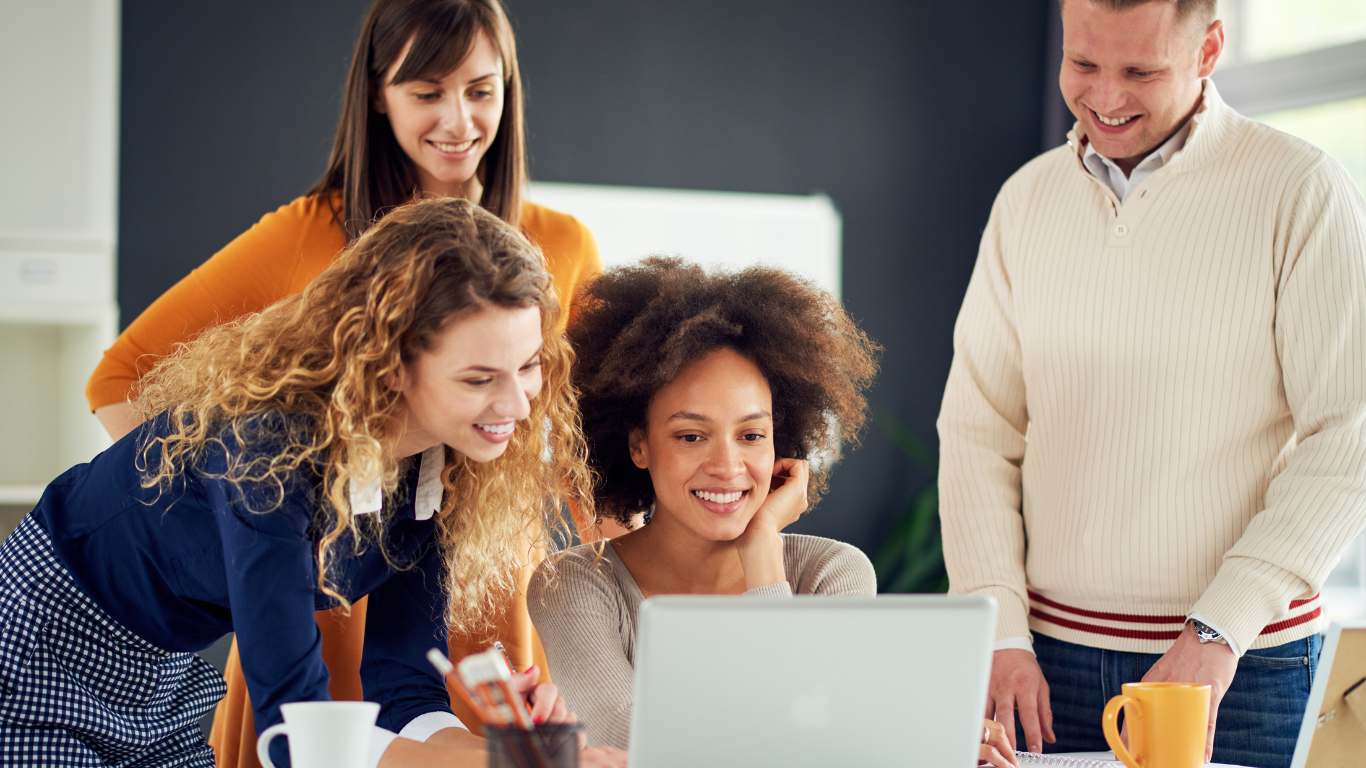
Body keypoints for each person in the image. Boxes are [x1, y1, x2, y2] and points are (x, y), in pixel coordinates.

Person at [82, 1, 610, 764]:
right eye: (426, 93)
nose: (459, 120)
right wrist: (251, 527)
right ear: (377, 94)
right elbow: (120, 379)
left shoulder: (562, 247)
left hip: (477, 609)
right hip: (307, 616)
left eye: (481, 90)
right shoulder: (307, 236)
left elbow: (580, 466)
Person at [0, 199, 625, 768]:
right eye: (479, 379)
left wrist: (522, 755)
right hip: (42, 640)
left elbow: (405, 692)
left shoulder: (437, 468)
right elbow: (296, 734)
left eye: (528, 366)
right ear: (389, 362)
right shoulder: (268, 449)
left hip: (158, 671)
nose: (516, 404)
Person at [937, 1, 1366, 767]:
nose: (1106, 98)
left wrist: (1218, 630)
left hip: (1243, 668)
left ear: (1209, 49)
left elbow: (1349, 437)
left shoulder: (1301, 189)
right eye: (1082, 64)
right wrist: (998, 628)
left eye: (1140, 71)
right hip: (1046, 666)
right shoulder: (1025, 201)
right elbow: (977, 431)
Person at [524, 259, 1018, 768]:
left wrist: (761, 548)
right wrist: (886, 734)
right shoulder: (572, 585)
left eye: (751, 435)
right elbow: (638, 742)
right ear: (638, 445)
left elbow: (812, 740)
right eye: (691, 436)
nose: (727, 466)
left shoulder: (834, 573)